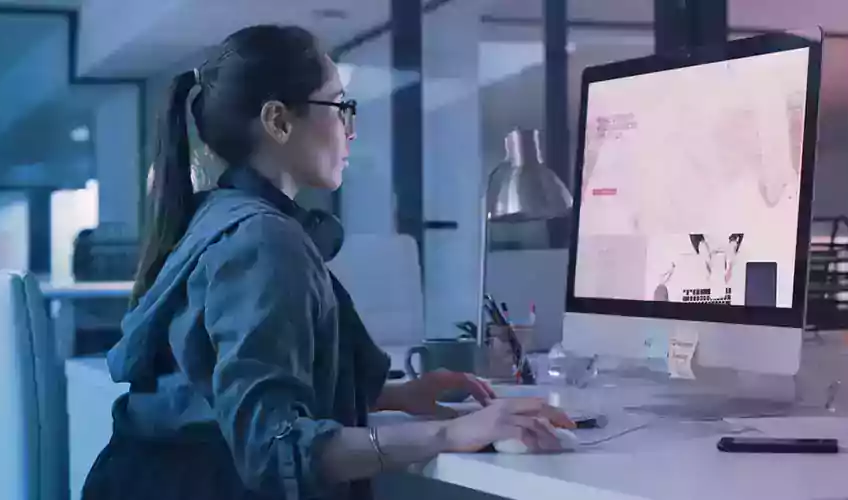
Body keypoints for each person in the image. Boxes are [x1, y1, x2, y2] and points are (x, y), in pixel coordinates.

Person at [81, 24, 574, 500]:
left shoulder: (222, 217)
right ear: (277, 121)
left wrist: (396, 398)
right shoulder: (261, 240)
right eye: (341, 108)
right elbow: (271, 448)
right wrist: (446, 435)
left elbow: (220, 392)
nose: (350, 131)